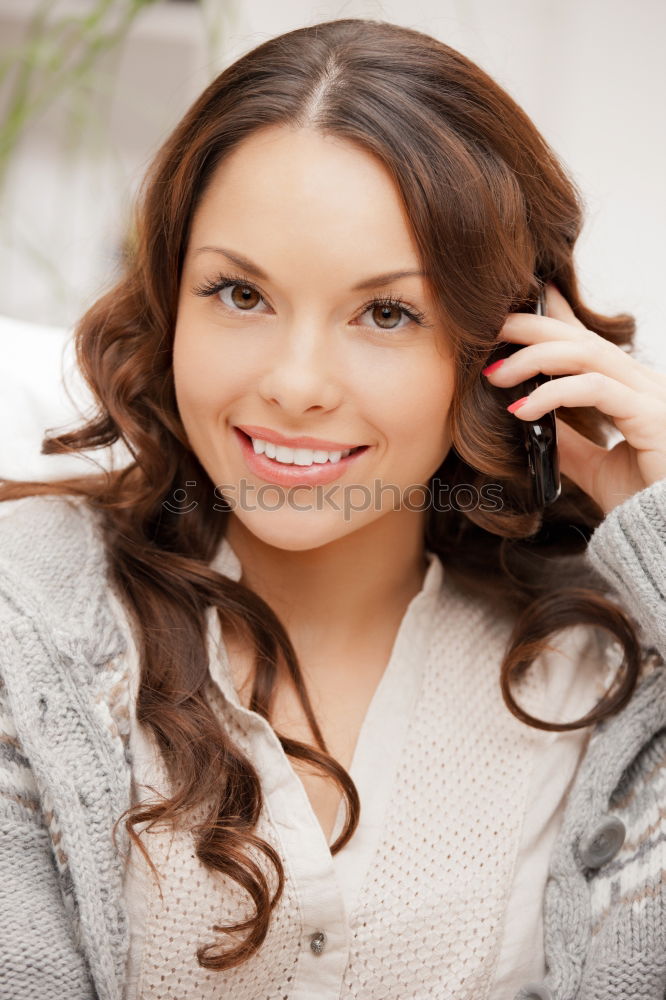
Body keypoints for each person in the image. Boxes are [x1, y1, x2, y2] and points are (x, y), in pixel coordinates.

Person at [0, 16, 665, 1000]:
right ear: (169, 297)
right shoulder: (29, 618)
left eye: (387, 313)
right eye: (239, 293)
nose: (297, 382)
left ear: (505, 344)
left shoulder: (602, 666)